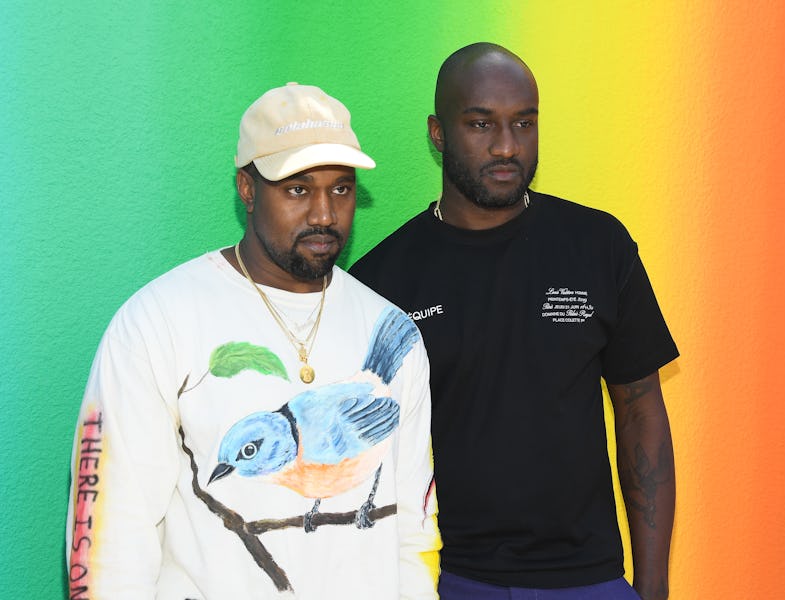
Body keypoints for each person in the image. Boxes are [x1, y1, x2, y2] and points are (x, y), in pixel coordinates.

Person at [66, 82, 440, 599]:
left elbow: (413, 530)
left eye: (341, 189)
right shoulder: (158, 322)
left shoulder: (391, 328)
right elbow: (112, 541)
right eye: (297, 189)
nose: (324, 214)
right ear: (247, 188)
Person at [349, 43, 678, 600]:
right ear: (437, 133)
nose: (507, 145)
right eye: (481, 124)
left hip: (588, 579)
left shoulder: (598, 246)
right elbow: (365, 458)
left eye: (524, 123)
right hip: (445, 577)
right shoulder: (382, 281)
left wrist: (652, 587)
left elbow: (641, 410)